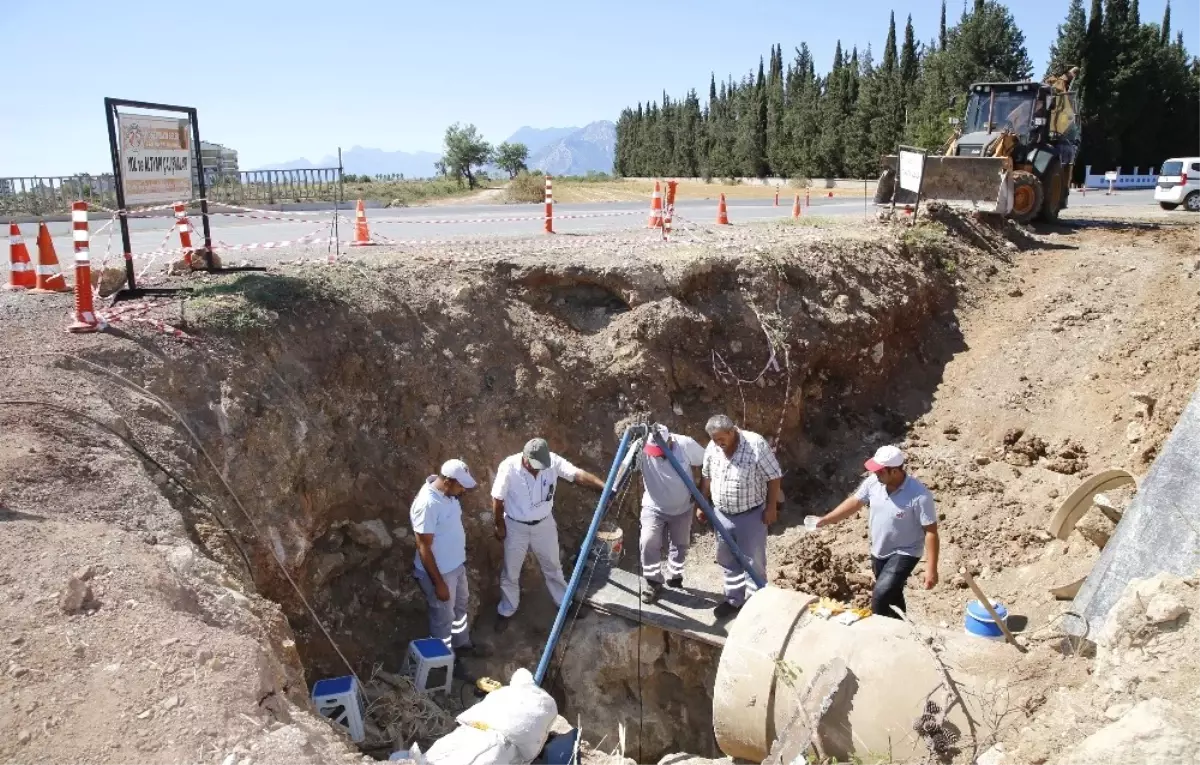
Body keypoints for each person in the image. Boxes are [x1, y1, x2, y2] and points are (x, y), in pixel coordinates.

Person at [492, 437, 605, 629]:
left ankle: (563, 603)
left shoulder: (551, 460)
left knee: (553, 565)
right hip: (515, 526)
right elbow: (497, 498)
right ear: (525, 457)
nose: (538, 469)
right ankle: (507, 609)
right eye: (534, 465)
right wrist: (499, 525)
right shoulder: (509, 467)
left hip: (544, 524)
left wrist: (604, 487)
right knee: (511, 570)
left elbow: (577, 474)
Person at [815, 445, 939, 619]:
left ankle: (882, 636)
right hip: (879, 549)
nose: (875, 474)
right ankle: (903, 629)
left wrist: (931, 569)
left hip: (905, 552)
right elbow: (854, 502)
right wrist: (826, 519)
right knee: (892, 593)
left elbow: (931, 532)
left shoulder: (919, 495)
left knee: (880, 597)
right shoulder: (874, 482)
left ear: (894, 471)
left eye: (880, 471)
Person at [699, 414, 783, 618]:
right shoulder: (713, 447)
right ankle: (734, 600)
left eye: (721, 439)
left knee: (753, 561)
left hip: (751, 516)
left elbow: (774, 476)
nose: (718, 444)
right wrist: (702, 503)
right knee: (727, 559)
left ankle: (756, 607)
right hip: (722, 515)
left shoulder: (755, 444)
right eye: (714, 439)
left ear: (732, 431)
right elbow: (707, 475)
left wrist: (771, 507)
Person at [410, 459, 478, 654]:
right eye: (461, 486)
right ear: (448, 481)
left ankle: (461, 644)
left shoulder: (449, 495)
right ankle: (445, 660)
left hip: (456, 567)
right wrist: (439, 583)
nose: (463, 490)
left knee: (460, 608)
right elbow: (423, 547)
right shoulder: (427, 504)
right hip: (440, 573)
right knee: (443, 619)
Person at [637, 424, 706, 604]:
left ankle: (674, 576)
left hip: (682, 508)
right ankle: (653, 582)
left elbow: (707, 460)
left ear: (670, 441)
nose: (655, 455)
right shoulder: (641, 448)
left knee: (680, 544)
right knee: (648, 541)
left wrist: (702, 493)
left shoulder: (684, 445)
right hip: (655, 506)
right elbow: (624, 466)